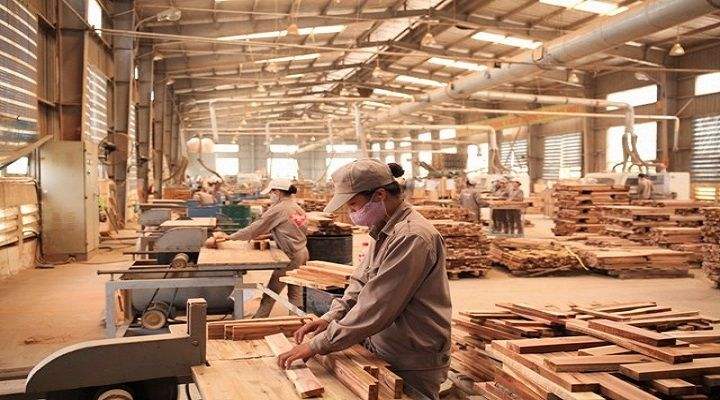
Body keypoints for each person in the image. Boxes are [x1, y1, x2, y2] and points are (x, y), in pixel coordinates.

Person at [276, 160, 452, 400]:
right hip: (385, 346)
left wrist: (317, 345)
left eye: (353, 205)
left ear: (379, 195)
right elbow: (360, 284)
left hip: (412, 358)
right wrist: (330, 318)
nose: (351, 214)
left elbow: (378, 305)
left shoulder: (412, 237)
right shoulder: (384, 228)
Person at [213, 178, 308, 318]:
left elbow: (255, 228)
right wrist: (271, 235)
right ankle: (296, 322)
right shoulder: (296, 207)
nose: (270, 195)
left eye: (271, 192)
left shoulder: (279, 209)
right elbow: (294, 231)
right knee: (295, 292)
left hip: (291, 256)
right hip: (302, 252)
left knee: (271, 292)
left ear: (277, 192)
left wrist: (230, 237)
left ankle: (259, 320)